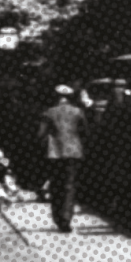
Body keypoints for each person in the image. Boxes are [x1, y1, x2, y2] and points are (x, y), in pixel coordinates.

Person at [38, 84, 87, 233]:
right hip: (73, 152)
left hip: (54, 153)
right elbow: (85, 131)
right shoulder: (78, 112)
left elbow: (40, 134)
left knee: (55, 184)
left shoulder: (49, 112)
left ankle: (58, 217)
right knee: (69, 185)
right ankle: (66, 218)